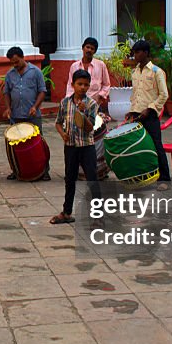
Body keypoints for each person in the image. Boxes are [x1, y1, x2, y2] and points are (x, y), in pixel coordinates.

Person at [52, 69, 101, 226]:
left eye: (86, 85)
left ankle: (98, 217)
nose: (82, 88)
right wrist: (62, 134)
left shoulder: (92, 104)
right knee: (70, 179)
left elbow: (90, 128)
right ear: (73, 84)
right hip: (71, 146)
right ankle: (66, 212)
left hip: (87, 146)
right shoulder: (65, 103)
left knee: (92, 179)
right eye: (79, 84)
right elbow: (58, 123)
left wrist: (83, 113)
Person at [124, 40, 171, 191]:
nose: (135, 56)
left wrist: (150, 109)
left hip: (150, 115)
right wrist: (132, 111)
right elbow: (135, 94)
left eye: (137, 52)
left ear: (145, 53)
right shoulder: (135, 72)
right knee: (138, 146)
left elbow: (163, 95)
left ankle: (165, 179)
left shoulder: (157, 71)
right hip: (137, 114)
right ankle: (143, 176)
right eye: (134, 53)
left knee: (157, 145)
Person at [1, 46, 50, 181]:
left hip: (32, 115)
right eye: (12, 62)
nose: (15, 65)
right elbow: (6, 92)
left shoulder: (36, 72)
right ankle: (17, 170)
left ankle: (45, 170)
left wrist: (35, 106)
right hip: (16, 115)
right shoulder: (10, 74)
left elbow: (42, 91)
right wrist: (8, 108)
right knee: (15, 146)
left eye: (17, 61)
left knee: (39, 144)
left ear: (23, 57)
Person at [64, 37, 111, 110]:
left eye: (92, 49)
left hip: (95, 105)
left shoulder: (101, 65)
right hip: (77, 105)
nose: (89, 50)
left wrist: (100, 96)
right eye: (87, 47)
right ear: (83, 48)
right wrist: (68, 101)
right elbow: (70, 86)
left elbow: (106, 84)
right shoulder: (74, 66)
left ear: (94, 51)